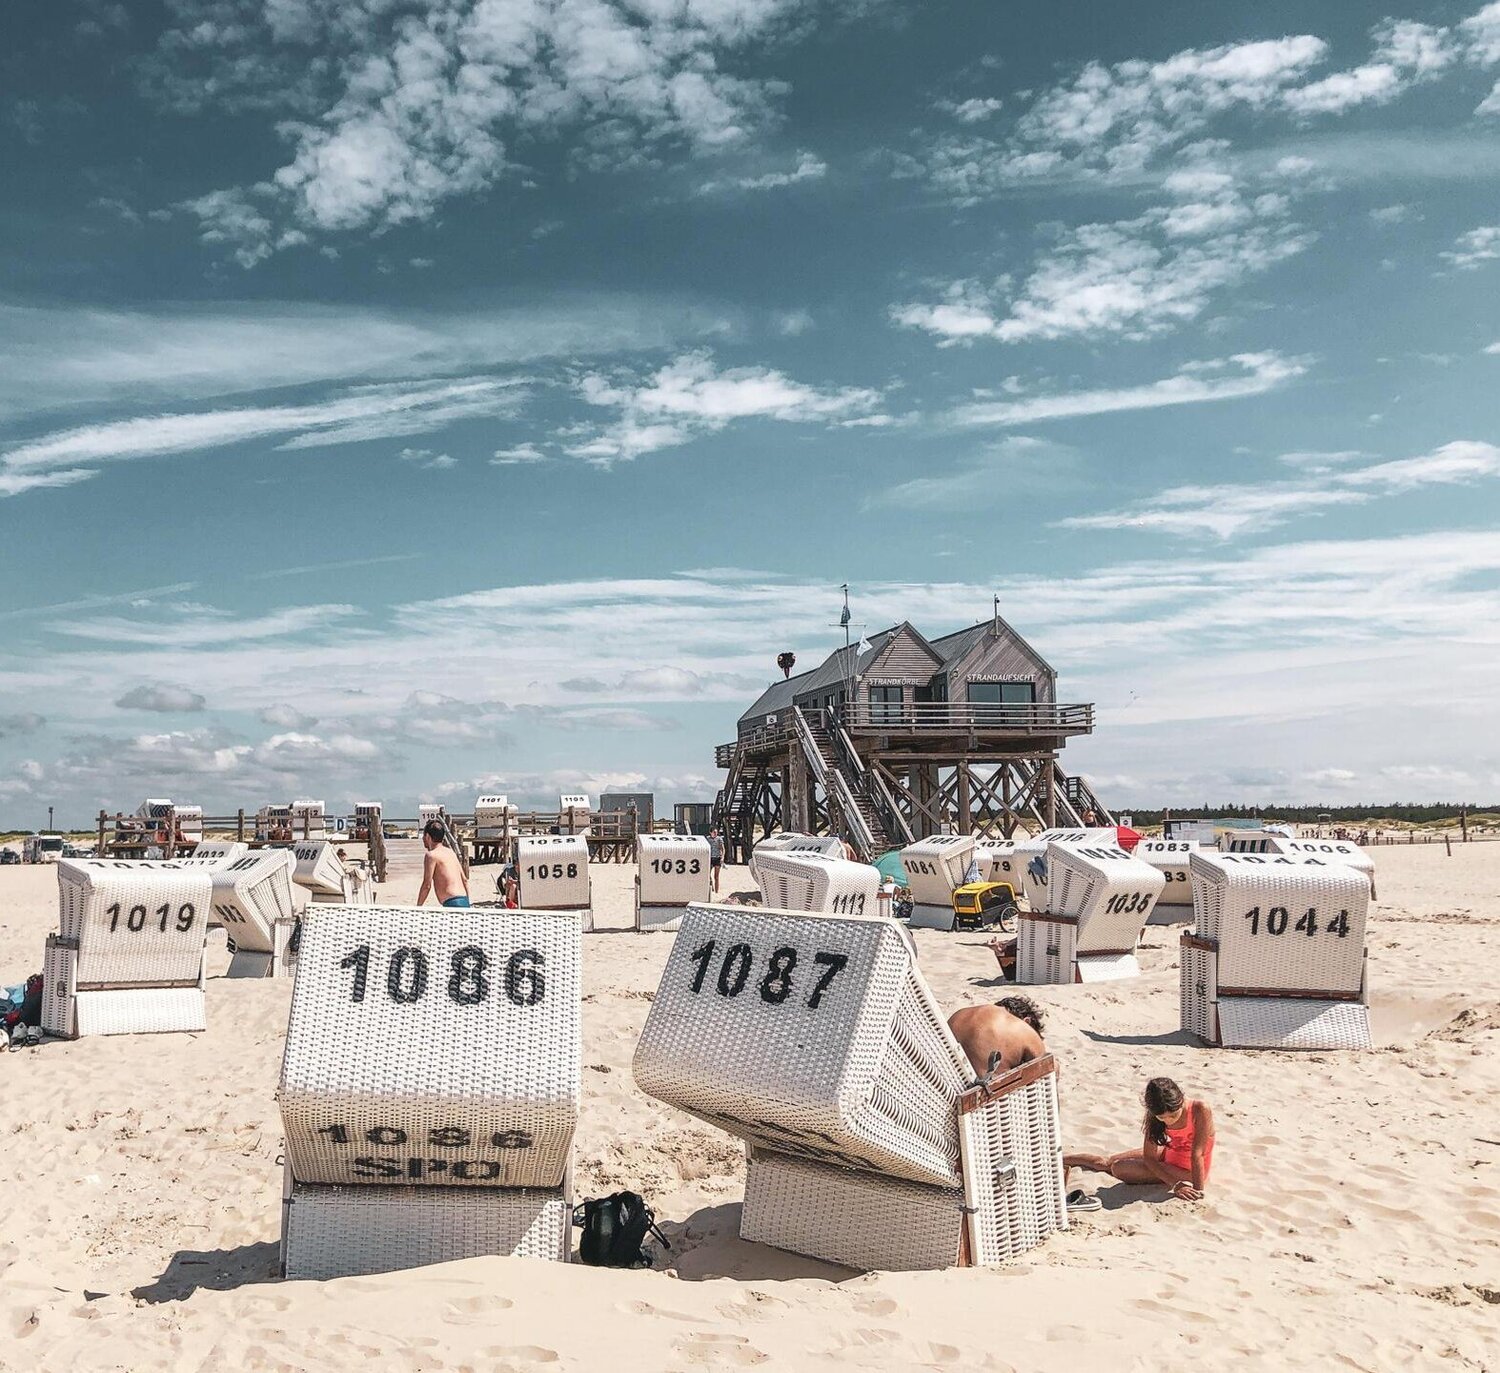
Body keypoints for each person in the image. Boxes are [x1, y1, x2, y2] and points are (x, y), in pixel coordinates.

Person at [1064, 1076, 1215, 1204]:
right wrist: (1174, 1184)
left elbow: (1197, 1154)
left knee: (1118, 1168)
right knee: (1104, 1163)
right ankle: (1059, 1159)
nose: (1169, 1121)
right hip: (1169, 1152)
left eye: (1173, 1115)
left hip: (1188, 1170)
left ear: (1181, 1100)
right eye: (1162, 1118)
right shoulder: (1154, 1114)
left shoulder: (1200, 1109)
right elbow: (1150, 1157)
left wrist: (1195, 1191)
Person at [947, 996, 1046, 1077]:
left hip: (947, 1085)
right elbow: (1045, 1071)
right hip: (989, 1092)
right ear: (1027, 1021)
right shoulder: (1022, 1028)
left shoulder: (959, 1015)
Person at [416, 820, 470, 908]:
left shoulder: (431, 855)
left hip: (452, 903)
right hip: (464, 900)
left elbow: (427, 885)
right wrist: (468, 903)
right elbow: (464, 880)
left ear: (428, 836)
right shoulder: (451, 853)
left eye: (424, 836)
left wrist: (418, 907)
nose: (423, 839)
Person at [707, 828, 724, 893]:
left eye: (716, 832)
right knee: (708, 874)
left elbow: (722, 848)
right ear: (710, 832)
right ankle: (711, 886)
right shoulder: (708, 839)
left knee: (716, 876)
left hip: (717, 858)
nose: (715, 833)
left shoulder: (719, 839)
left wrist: (722, 857)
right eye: (714, 832)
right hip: (710, 858)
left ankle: (717, 891)